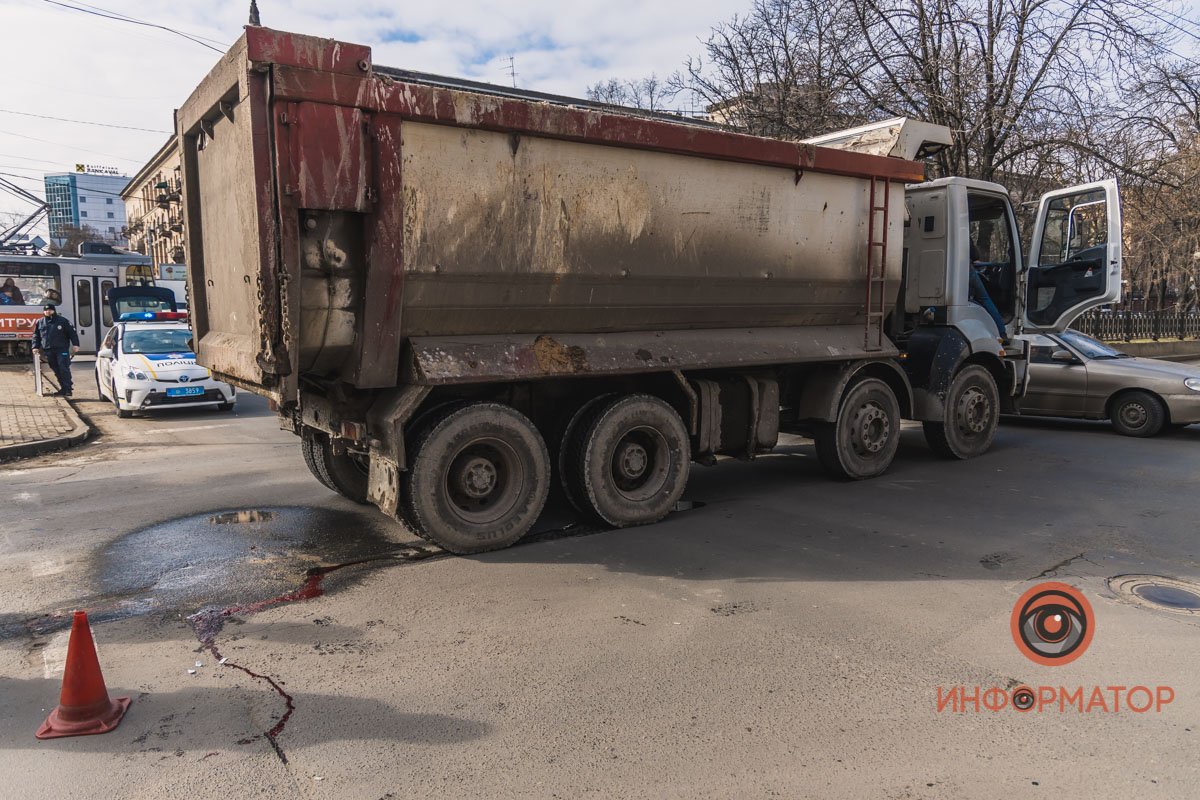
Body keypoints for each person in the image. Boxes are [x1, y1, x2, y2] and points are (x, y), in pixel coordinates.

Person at [31, 303, 80, 397]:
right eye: (46, 310)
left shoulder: (62, 321)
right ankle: (63, 388)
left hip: (61, 349)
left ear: (54, 310)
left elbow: (72, 333)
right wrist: (35, 347)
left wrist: (76, 344)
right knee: (56, 369)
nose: (48, 312)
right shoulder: (40, 322)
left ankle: (68, 389)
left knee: (63, 367)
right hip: (48, 350)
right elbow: (36, 336)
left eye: (50, 310)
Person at [968, 243, 1008, 341]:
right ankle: (1002, 332)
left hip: (952, 273)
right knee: (985, 299)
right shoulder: (962, 232)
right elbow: (974, 255)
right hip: (968, 270)